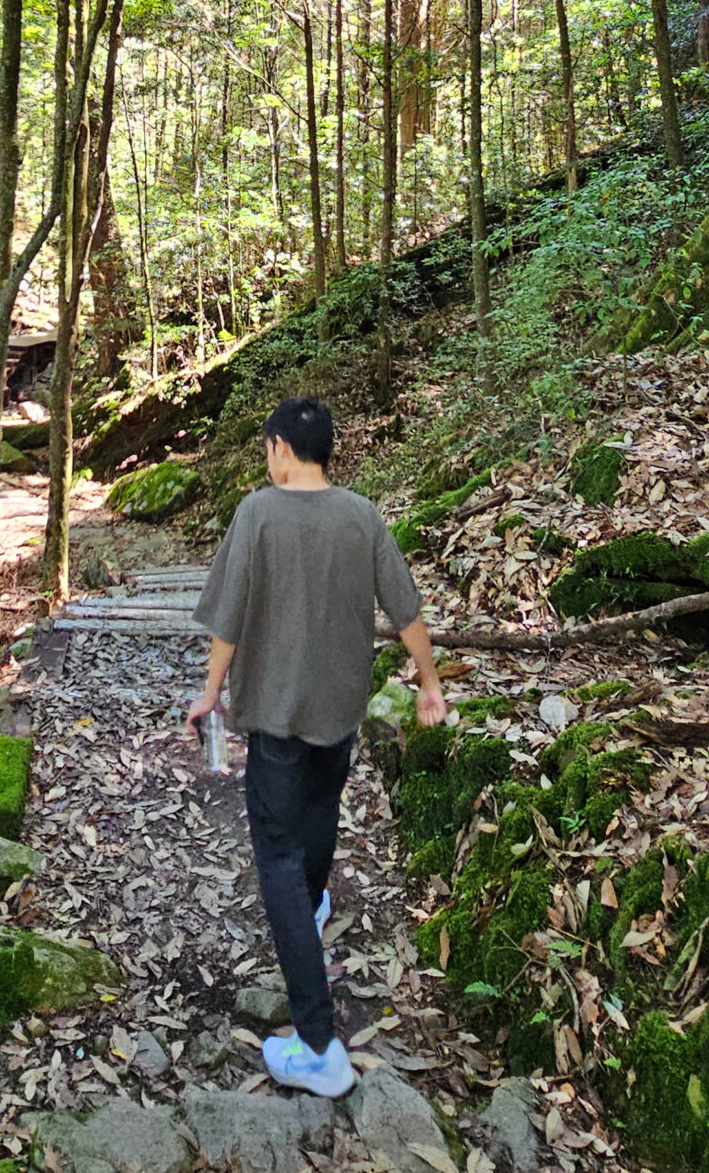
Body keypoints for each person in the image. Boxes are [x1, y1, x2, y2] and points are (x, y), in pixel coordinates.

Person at [185, 396, 446, 1099]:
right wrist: (430, 684)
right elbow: (408, 609)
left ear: (278, 448)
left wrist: (210, 692)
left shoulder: (257, 514)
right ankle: (315, 902)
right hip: (340, 712)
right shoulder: (362, 515)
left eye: (267, 448)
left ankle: (319, 1042)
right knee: (321, 810)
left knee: (273, 853)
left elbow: (229, 618)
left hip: (275, 713)